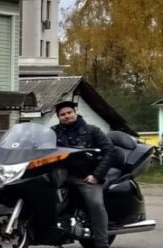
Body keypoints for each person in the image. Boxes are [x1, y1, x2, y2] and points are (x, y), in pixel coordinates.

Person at [52, 100, 116, 248]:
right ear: (58, 117)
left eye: (69, 113)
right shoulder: (53, 132)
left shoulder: (92, 130)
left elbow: (109, 152)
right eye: (63, 114)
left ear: (75, 113)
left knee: (96, 204)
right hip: (60, 177)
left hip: (85, 177)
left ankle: (102, 243)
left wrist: (96, 175)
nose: (67, 116)